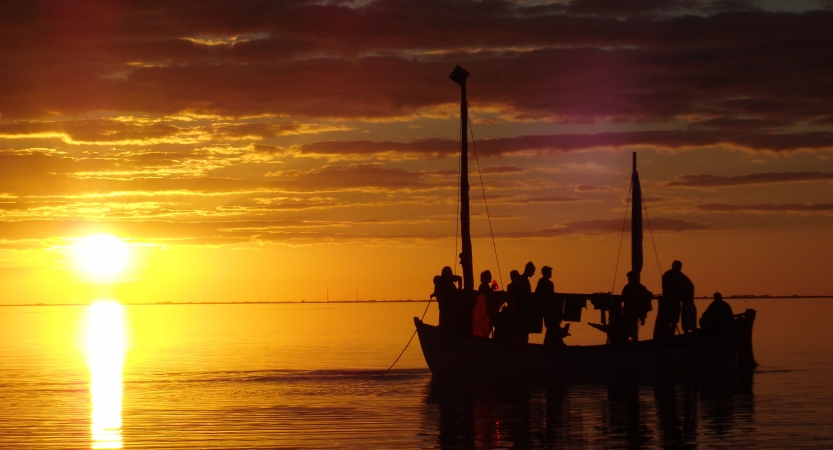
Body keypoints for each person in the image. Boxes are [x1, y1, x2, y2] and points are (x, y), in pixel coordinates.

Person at [655, 260, 694, 340]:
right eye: (679, 267)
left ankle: (672, 335)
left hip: (676, 301)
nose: (680, 269)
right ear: (674, 266)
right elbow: (668, 285)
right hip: (668, 302)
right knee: (667, 320)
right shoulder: (667, 275)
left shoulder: (681, 276)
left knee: (674, 321)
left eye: (680, 268)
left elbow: (690, 285)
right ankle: (667, 336)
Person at [617, 271, 653, 343]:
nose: (628, 279)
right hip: (628, 311)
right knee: (628, 327)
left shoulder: (640, 287)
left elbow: (649, 294)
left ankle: (632, 340)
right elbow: (624, 296)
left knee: (632, 326)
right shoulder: (628, 287)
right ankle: (629, 340)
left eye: (629, 278)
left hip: (636, 311)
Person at [537, 266, 567, 346]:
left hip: (546, 309)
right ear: (546, 273)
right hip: (549, 309)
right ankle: (549, 344)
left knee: (551, 327)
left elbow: (538, 293)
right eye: (550, 272)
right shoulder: (548, 283)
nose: (551, 274)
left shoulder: (541, 281)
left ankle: (551, 343)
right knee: (551, 327)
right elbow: (551, 297)